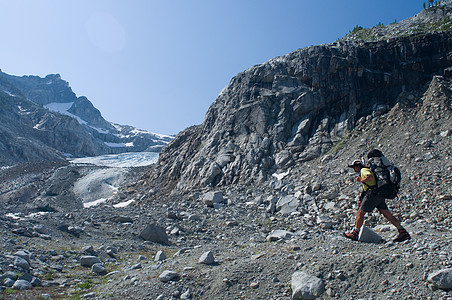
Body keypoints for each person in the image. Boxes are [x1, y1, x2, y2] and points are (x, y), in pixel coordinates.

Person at [343, 159, 411, 242]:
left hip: (372, 195)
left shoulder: (363, 170)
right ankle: (402, 231)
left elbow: (370, 177)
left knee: (360, 212)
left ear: (358, 166)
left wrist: (360, 180)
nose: (354, 170)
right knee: (386, 213)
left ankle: (355, 233)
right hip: (379, 194)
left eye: (354, 167)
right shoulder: (369, 170)